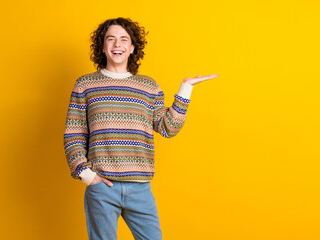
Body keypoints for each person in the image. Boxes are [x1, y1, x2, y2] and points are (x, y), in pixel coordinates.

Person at [63, 17, 218, 240]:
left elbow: (168, 128)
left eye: (124, 39)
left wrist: (185, 89)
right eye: (111, 39)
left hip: (140, 188)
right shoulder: (85, 84)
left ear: (133, 47)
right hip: (101, 186)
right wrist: (86, 175)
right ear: (103, 46)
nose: (117, 44)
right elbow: (73, 134)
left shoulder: (148, 86)